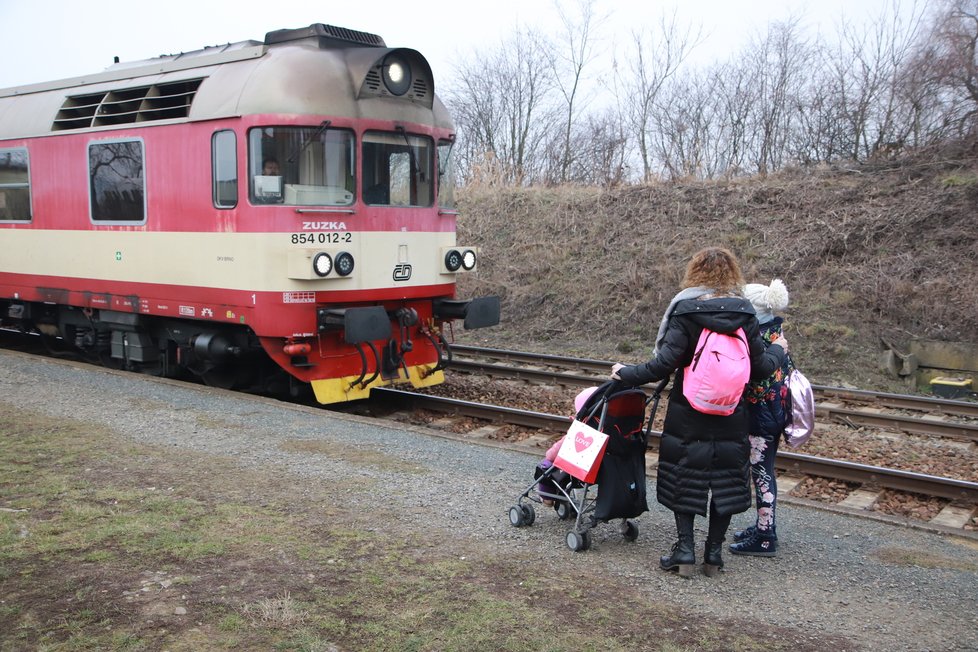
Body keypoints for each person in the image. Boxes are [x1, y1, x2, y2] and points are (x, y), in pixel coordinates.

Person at [610, 247, 788, 577]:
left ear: (695, 273)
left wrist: (625, 372)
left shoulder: (686, 310)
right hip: (731, 411)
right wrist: (779, 349)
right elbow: (761, 367)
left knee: (685, 475)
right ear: (733, 274)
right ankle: (715, 555)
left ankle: (685, 551)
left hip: (689, 411)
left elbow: (662, 364)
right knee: (725, 480)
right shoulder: (745, 313)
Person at [730, 279, 793, 557]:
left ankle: (765, 537)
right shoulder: (775, 333)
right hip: (774, 410)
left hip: (761, 416)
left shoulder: (756, 339)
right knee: (763, 470)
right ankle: (763, 527)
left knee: (762, 473)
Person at [535, 386, 598, 504]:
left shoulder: (579, 433)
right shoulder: (609, 431)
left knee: (545, 466)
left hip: (579, 471)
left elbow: (552, 454)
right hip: (601, 472)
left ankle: (547, 498)